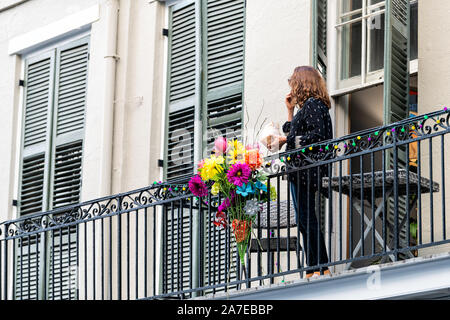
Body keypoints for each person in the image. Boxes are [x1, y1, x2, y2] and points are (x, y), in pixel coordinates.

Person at [267, 66, 333, 278]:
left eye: (293, 82)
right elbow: (294, 130)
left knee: (307, 218)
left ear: (302, 83)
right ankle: (316, 266)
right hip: (299, 170)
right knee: (304, 219)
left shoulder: (314, 105)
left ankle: (319, 267)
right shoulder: (307, 108)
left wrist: (286, 140)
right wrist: (289, 111)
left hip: (306, 169)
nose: (291, 87)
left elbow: (317, 136)